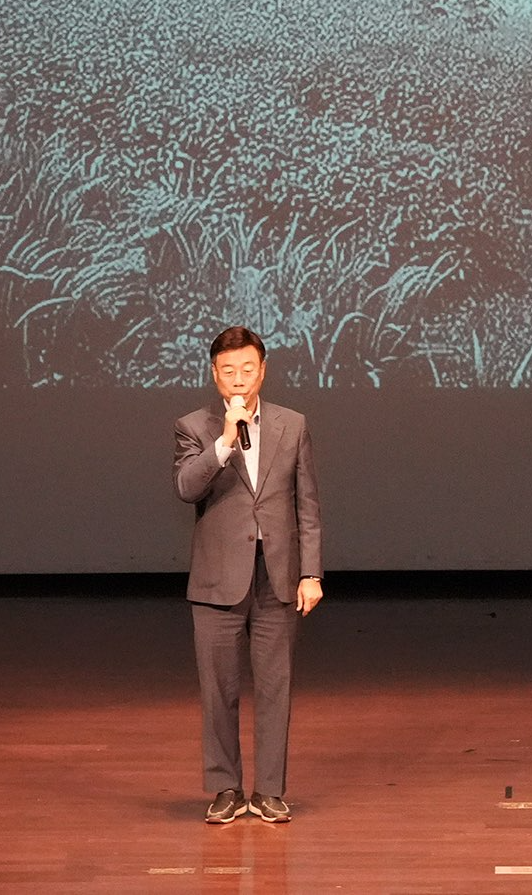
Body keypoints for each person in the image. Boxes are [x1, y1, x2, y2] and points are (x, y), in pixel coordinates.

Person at [173, 326, 323, 824]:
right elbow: (187, 488)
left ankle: (270, 790)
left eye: (247, 369)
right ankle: (226, 788)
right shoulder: (194, 426)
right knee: (218, 691)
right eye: (228, 371)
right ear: (214, 374)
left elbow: (307, 504)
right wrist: (223, 442)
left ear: (263, 370)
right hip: (217, 579)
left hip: (277, 575)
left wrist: (311, 573)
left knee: (276, 687)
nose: (239, 379)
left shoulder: (292, 424)